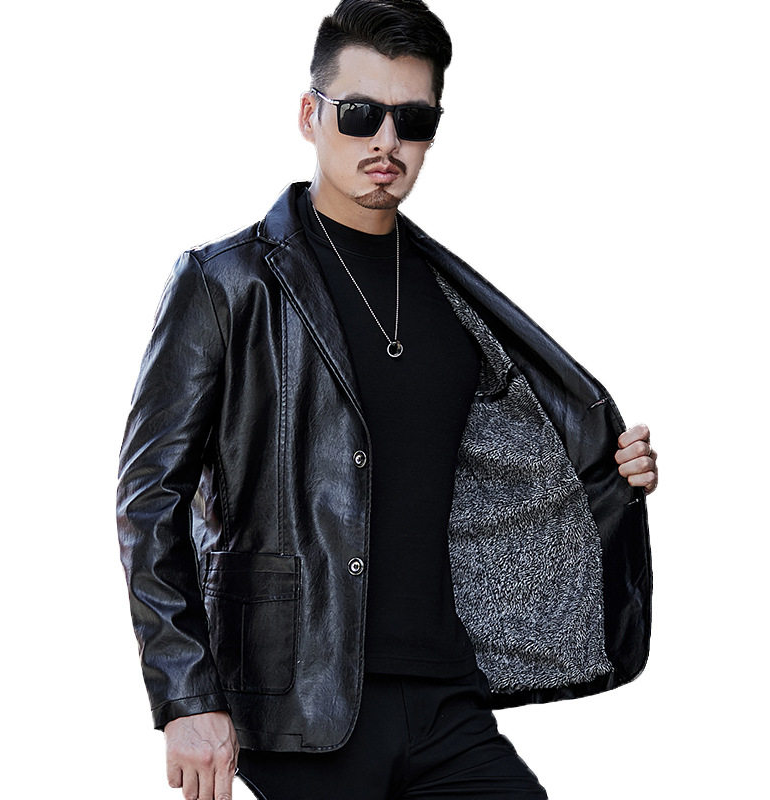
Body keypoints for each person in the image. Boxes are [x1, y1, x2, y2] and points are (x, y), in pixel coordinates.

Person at [116, 1, 658, 798]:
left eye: (414, 120)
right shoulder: (226, 283)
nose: (386, 141)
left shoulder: (450, 298)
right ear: (311, 115)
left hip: (447, 698)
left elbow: (498, 475)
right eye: (361, 113)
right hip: (297, 700)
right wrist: (185, 694)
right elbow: (148, 498)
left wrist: (606, 473)